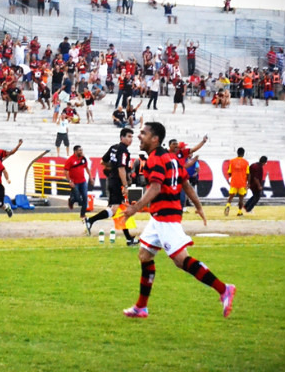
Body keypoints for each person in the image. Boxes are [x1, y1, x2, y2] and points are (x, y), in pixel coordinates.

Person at [121, 122, 236, 319]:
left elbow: (156, 188)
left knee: (181, 260)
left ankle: (223, 289)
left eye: (143, 133)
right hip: (160, 217)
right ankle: (141, 307)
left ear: (155, 139)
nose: (139, 136)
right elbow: (186, 184)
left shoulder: (156, 159)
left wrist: (135, 208)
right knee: (144, 255)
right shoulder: (172, 158)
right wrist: (199, 207)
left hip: (166, 217)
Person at [85, 128, 139, 246]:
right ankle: (90, 220)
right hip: (117, 183)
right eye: (129, 136)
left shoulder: (114, 147)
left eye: (132, 137)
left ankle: (129, 239)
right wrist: (125, 185)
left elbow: (103, 162)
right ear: (122, 137)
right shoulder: (124, 151)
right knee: (115, 210)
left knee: (120, 210)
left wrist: (112, 168)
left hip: (111, 180)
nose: (131, 139)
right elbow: (121, 169)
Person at [64, 145, 94, 220]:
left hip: (83, 181)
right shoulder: (70, 160)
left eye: (81, 150)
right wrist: (70, 181)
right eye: (79, 150)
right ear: (75, 151)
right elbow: (65, 171)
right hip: (75, 182)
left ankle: (83, 215)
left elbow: (87, 168)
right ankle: (71, 201)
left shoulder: (83, 159)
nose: (81, 152)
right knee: (77, 198)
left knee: (85, 197)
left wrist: (90, 177)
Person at [224, 147, 249, 217]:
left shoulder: (232, 161)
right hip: (242, 182)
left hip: (234, 181)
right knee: (241, 198)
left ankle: (227, 205)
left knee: (231, 196)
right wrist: (248, 183)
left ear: (237, 153)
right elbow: (248, 173)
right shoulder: (246, 162)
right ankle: (239, 212)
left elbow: (229, 173)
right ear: (243, 153)